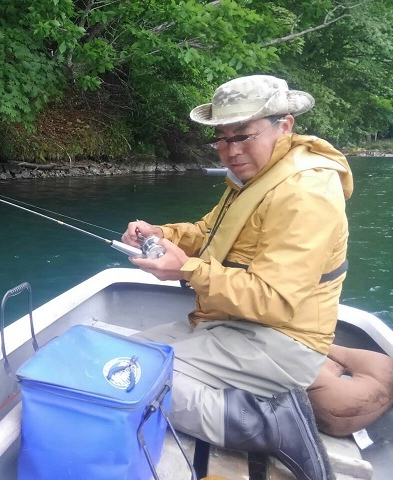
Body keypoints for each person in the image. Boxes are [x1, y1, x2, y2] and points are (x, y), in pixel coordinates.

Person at [122, 75, 352, 480]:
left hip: (282, 340)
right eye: (222, 139)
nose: (230, 151)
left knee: (123, 380)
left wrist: (186, 269)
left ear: (286, 125)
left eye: (243, 136)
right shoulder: (254, 178)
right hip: (229, 322)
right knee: (117, 356)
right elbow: (208, 233)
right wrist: (163, 235)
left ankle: (273, 424)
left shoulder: (306, 192)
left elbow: (275, 300)